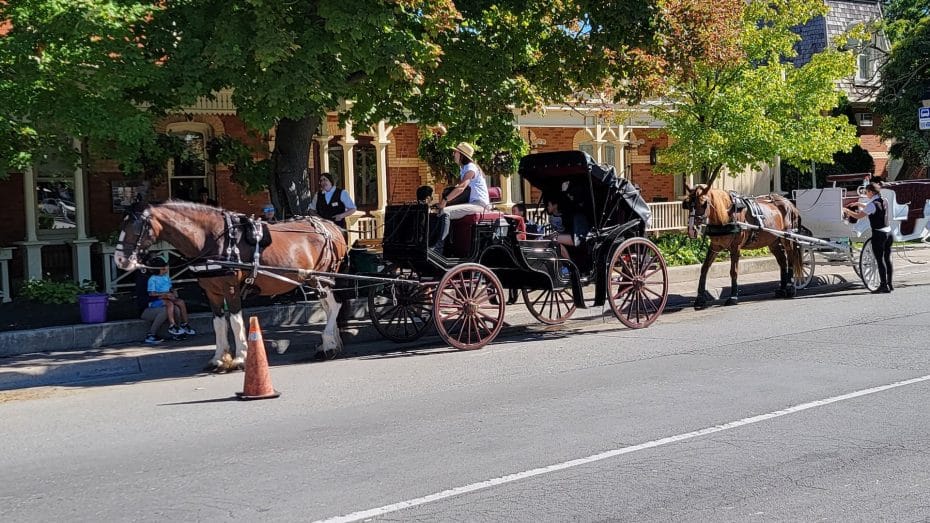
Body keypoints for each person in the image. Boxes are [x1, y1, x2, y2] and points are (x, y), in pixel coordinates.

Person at [434, 142, 491, 252]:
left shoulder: (470, 167)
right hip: (473, 203)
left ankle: (439, 249)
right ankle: (447, 246)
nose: (453, 154)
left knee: (446, 212)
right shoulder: (464, 168)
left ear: (461, 155)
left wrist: (445, 200)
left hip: (480, 205)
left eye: (455, 152)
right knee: (441, 211)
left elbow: (461, 187)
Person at [844, 182, 893, 293]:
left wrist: (847, 211)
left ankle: (883, 286)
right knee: (886, 260)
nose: (866, 194)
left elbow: (858, 216)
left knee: (879, 261)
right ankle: (889, 284)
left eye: (867, 192)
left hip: (879, 234)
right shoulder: (884, 201)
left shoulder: (872, 205)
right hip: (888, 233)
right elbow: (872, 207)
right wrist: (859, 204)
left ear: (871, 192)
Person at [146, 257, 197, 338]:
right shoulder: (152, 279)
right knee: (170, 304)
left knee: (180, 302)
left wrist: (173, 292)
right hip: (157, 299)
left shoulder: (166, 277)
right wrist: (164, 294)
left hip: (168, 296)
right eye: (163, 268)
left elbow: (170, 288)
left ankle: (185, 323)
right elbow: (151, 293)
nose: (165, 269)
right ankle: (172, 325)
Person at [417, 185, 450, 255]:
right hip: (430, 244)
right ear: (428, 198)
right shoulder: (429, 213)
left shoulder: (414, 210)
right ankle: (439, 248)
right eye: (432, 197)